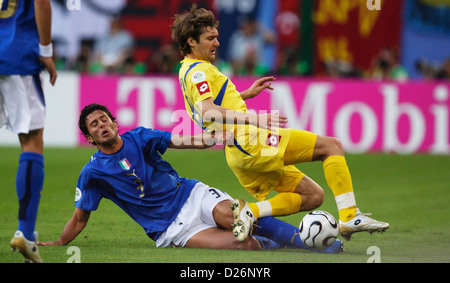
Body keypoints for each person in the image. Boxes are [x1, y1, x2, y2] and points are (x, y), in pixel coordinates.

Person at [171, 4, 389, 242]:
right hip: (250, 141)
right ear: (191, 41)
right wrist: (254, 118)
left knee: (313, 196)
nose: (217, 43)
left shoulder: (187, 70)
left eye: (216, 37)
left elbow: (202, 107)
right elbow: (207, 111)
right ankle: (349, 216)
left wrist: (243, 95)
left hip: (239, 151)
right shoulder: (199, 72)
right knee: (331, 146)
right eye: (210, 38)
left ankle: (250, 211)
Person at [38, 103, 344, 254]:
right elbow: (80, 218)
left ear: (113, 122)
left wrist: (211, 138)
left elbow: (179, 140)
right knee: (245, 245)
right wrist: (60, 242)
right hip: (169, 229)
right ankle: (280, 242)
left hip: (192, 195)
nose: (101, 124)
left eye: (104, 118)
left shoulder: (140, 137)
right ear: (89, 136)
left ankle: (309, 242)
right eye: (94, 124)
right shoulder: (92, 173)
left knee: (236, 217)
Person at [0, 0, 57, 263]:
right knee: (32, 141)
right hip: (16, 54)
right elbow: (41, 3)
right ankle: (25, 233)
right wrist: (45, 50)